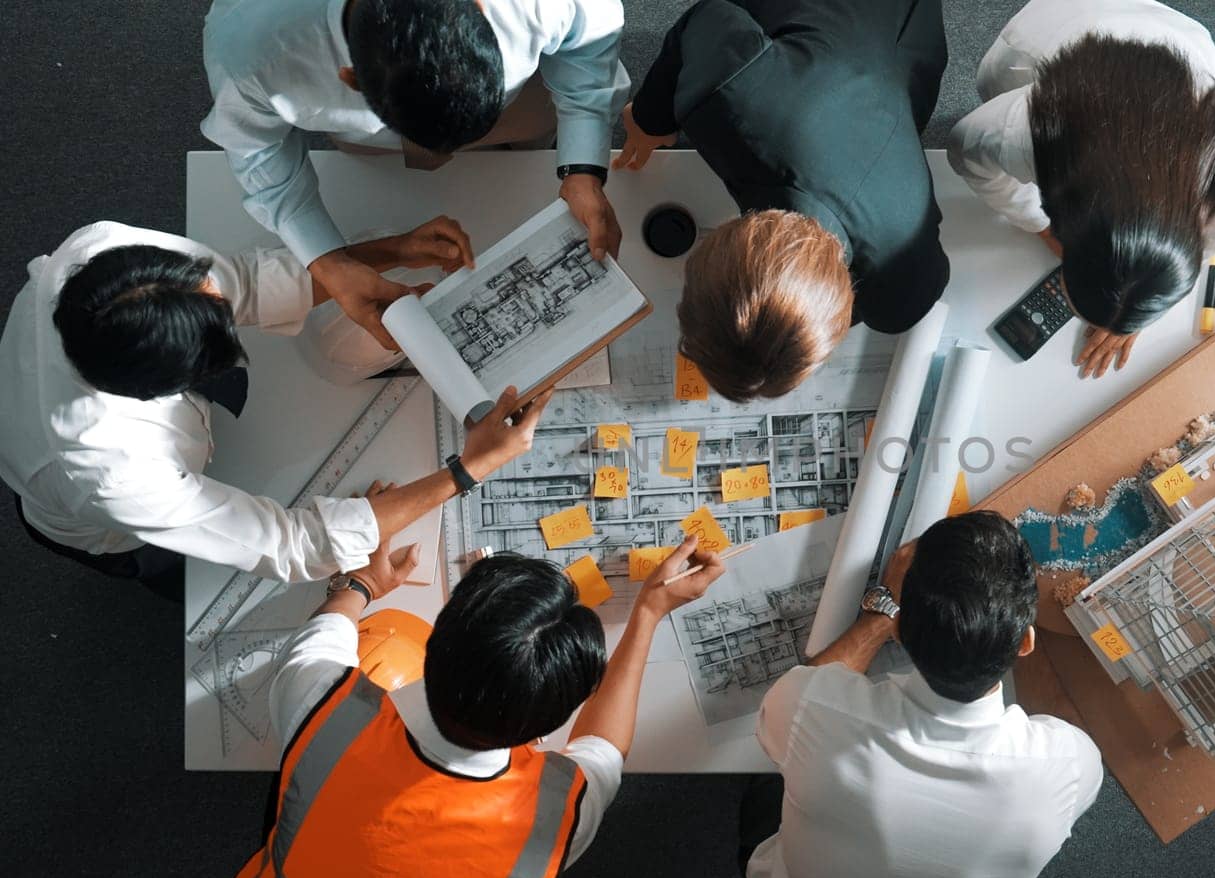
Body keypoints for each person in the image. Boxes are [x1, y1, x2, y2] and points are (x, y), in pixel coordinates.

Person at [0, 220, 547, 601]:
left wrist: (390, 251)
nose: (231, 311)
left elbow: (245, 281)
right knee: (181, 581)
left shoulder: (101, 251)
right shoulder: (109, 471)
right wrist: (467, 469)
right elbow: (295, 545)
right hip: (106, 529)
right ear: (162, 389)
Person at [230, 533, 726, 878]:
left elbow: (324, 632)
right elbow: (605, 750)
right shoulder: (554, 817)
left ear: (435, 638)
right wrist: (647, 612)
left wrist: (361, 583)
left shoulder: (322, 705)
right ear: (547, 728)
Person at [201, 0, 630, 350]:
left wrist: (581, 170)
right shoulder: (251, 47)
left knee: (529, 138)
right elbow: (258, 150)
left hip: (521, 105)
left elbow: (589, 43)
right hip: (373, 139)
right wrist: (328, 262)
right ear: (350, 78)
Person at [743, 511, 1102, 878]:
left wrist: (882, 612)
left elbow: (805, 693)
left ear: (898, 630)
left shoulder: (809, 710)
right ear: (1026, 644)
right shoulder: (1068, 765)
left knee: (772, 775)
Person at [616, 0, 950, 402]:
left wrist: (802, 307)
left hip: (898, 40)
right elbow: (707, 17)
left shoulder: (903, 296)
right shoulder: (729, 93)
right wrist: (650, 119)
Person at [946, 0, 1215, 378]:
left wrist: (1138, 308)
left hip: (1172, 58)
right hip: (1067, 26)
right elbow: (965, 152)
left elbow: (1211, 241)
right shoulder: (1029, 135)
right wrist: (1039, 226)